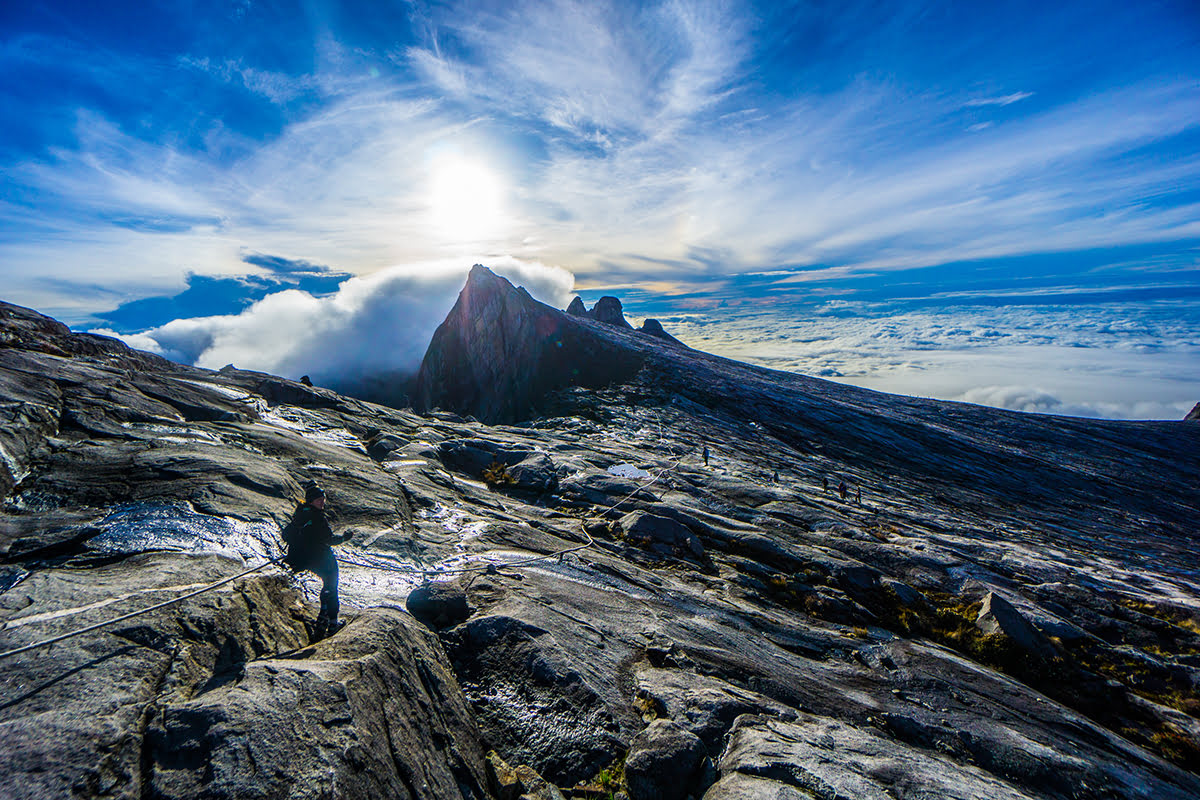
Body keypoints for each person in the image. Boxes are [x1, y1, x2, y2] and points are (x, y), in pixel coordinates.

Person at [282, 481, 352, 640]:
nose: (322, 502)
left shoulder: (300, 513)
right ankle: (331, 622)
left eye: (323, 499)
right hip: (319, 557)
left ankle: (323, 618)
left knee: (328, 584)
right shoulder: (317, 517)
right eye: (319, 499)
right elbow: (329, 539)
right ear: (312, 500)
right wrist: (344, 538)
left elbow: (287, 535)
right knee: (331, 582)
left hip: (304, 559)